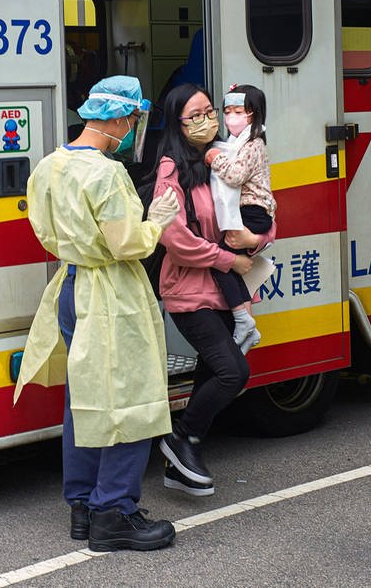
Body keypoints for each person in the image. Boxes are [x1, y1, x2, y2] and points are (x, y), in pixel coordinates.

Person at [12, 75, 182, 552]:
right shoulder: (107, 173)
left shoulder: (50, 164)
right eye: (130, 119)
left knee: (83, 398)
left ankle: (83, 507)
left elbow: (45, 229)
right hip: (110, 291)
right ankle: (116, 512)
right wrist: (158, 220)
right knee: (129, 397)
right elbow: (126, 244)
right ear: (116, 117)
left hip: (70, 284)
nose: (130, 128)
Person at [153, 83, 275, 497]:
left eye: (210, 112)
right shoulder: (172, 170)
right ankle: (179, 438)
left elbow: (258, 208)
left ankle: (179, 466)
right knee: (233, 371)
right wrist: (229, 260)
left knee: (212, 371)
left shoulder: (224, 158)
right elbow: (176, 238)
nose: (206, 122)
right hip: (189, 291)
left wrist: (255, 241)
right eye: (195, 116)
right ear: (177, 123)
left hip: (224, 292)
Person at [204, 84, 275, 353]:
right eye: (228, 111)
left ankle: (244, 321)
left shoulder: (254, 144)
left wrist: (214, 158)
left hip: (253, 213)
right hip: (251, 213)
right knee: (229, 264)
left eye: (238, 111)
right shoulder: (239, 142)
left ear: (253, 115)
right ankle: (246, 323)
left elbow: (234, 175)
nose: (231, 117)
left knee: (221, 261)